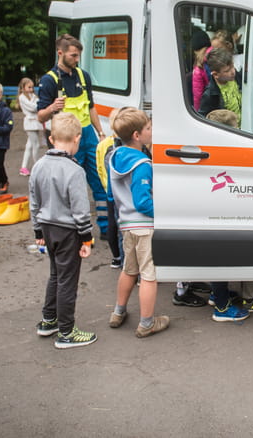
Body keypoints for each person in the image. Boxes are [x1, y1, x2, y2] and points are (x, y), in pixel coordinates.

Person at [29, 113, 97, 349]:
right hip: (68, 231)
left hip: (47, 228)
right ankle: (67, 332)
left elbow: (34, 202)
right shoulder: (75, 170)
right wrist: (86, 238)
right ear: (77, 138)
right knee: (67, 280)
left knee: (56, 275)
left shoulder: (38, 166)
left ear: (51, 138)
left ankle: (49, 320)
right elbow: (81, 210)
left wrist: (38, 231)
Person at [37, 33, 109, 238]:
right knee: (70, 186)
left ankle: (106, 228)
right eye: (73, 56)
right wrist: (52, 107)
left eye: (78, 56)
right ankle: (74, 231)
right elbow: (40, 115)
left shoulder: (83, 76)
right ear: (60, 53)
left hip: (88, 136)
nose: (77, 59)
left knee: (100, 182)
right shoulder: (49, 80)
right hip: (66, 139)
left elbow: (91, 107)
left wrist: (101, 132)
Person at [107, 108, 170, 338]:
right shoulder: (143, 164)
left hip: (126, 224)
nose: (151, 131)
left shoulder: (114, 157)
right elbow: (142, 202)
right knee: (148, 276)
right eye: (148, 128)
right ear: (137, 135)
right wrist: (162, 214)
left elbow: (111, 194)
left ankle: (118, 312)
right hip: (144, 226)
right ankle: (146, 323)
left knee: (128, 270)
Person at [205, 109, 253, 314]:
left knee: (219, 255)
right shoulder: (233, 152)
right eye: (236, 128)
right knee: (249, 251)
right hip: (236, 211)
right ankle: (246, 299)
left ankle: (217, 295)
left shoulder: (208, 150)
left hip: (217, 212)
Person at [96, 108, 124, 269]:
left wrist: (105, 185)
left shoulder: (102, 145)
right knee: (120, 226)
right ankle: (123, 257)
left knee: (112, 223)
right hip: (120, 191)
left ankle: (116, 257)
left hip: (109, 189)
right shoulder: (123, 146)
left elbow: (100, 168)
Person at [198, 47, 241, 123]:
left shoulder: (236, 77)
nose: (233, 72)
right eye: (227, 71)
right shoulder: (210, 95)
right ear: (216, 74)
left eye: (232, 66)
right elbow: (202, 118)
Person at [17, 77, 41, 176]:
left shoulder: (33, 96)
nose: (31, 89)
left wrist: (38, 104)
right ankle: (37, 166)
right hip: (30, 123)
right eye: (29, 87)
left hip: (35, 122)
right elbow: (33, 107)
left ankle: (24, 167)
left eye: (32, 87)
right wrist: (39, 104)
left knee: (29, 145)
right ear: (23, 88)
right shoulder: (22, 97)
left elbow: (37, 105)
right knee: (36, 145)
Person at [190, 29, 212, 111]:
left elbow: (198, 95)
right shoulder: (219, 53)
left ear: (195, 50)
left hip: (211, 106)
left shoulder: (198, 68)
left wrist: (197, 112)